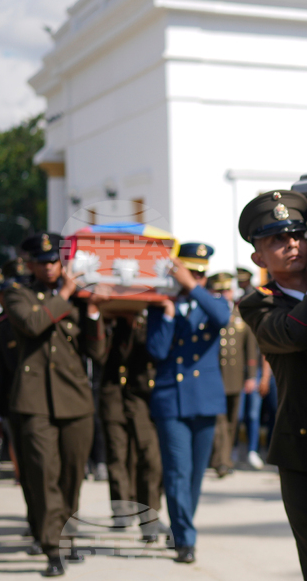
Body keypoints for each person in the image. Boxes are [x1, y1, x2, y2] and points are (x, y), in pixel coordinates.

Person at [237, 190, 307, 580]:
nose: (292, 246)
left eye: (297, 236)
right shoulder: (258, 303)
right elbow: (296, 332)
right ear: (258, 258)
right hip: (306, 453)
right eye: (277, 241)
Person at [4, 233, 108, 577]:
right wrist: (64, 295)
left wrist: (92, 313)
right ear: (30, 264)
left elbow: (96, 353)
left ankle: (66, 535)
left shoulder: (79, 299)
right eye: (43, 262)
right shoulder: (18, 293)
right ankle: (53, 546)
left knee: (70, 477)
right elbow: (34, 324)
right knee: (43, 475)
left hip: (74, 400)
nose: (50, 267)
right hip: (33, 401)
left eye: (54, 261)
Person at [145, 242, 230, 564]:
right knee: (178, 473)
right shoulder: (160, 305)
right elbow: (156, 350)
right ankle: (185, 538)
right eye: (188, 272)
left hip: (204, 400)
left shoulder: (213, 303)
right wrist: (167, 315)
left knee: (195, 476)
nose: (193, 278)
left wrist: (192, 287)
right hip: (171, 401)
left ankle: (183, 526)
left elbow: (222, 316)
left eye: (198, 274)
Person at [0, 260, 40, 552]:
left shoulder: (48, 315)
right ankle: (39, 527)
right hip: (17, 406)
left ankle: (55, 528)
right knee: (31, 472)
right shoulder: (2, 325)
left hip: (58, 406)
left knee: (55, 473)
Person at [99, 314, 165, 541]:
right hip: (114, 397)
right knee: (118, 455)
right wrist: (118, 324)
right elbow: (100, 354)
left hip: (142, 398)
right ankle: (121, 509)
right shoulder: (108, 324)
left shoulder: (149, 324)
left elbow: (154, 351)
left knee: (149, 458)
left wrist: (136, 325)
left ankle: (150, 513)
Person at [206, 272, 258, 477]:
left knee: (232, 421)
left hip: (235, 378)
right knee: (219, 422)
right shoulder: (211, 314)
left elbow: (250, 348)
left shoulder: (239, 314)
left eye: (226, 290)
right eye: (219, 290)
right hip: (215, 377)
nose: (223, 294)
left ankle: (224, 458)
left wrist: (251, 376)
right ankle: (222, 461)